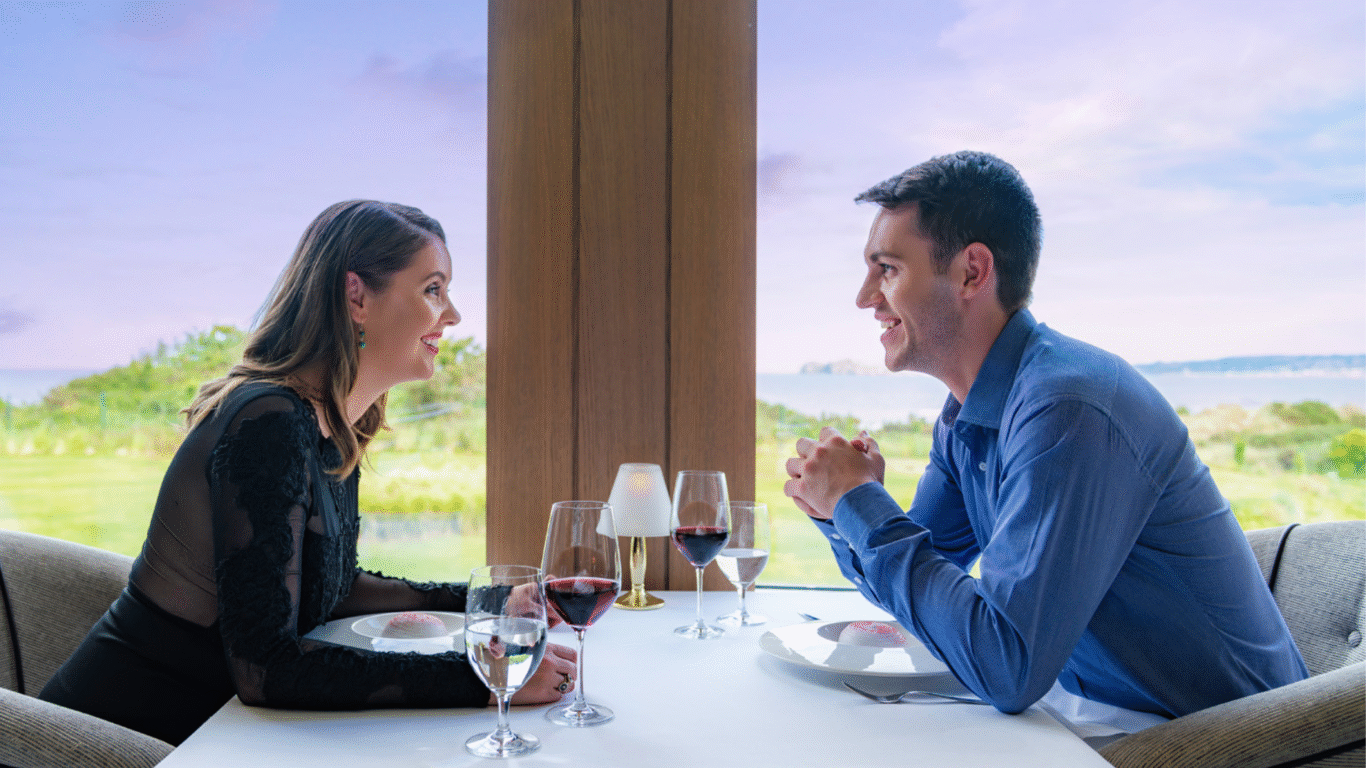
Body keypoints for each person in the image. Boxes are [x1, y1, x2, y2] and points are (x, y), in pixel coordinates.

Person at [783, 152, 1308, 723]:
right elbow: (925, 596)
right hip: (1093, 715)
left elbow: (1006, 668)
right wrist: (843, 511)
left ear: (972, 272)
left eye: (886, 268)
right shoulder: (969, 413)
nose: (864, 297)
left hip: (1223, 743)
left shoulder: (1067, 408)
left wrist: (861, 505)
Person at [40, 200, 577, 745]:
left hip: (222, 732)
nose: (453, 315)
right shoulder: (269, 422)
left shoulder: (332, 420)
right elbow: (266, 669)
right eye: (433, 289)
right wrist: (482, 681)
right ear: (357, 297)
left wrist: (491, 603)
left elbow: (332, 589)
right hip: (123, 740)